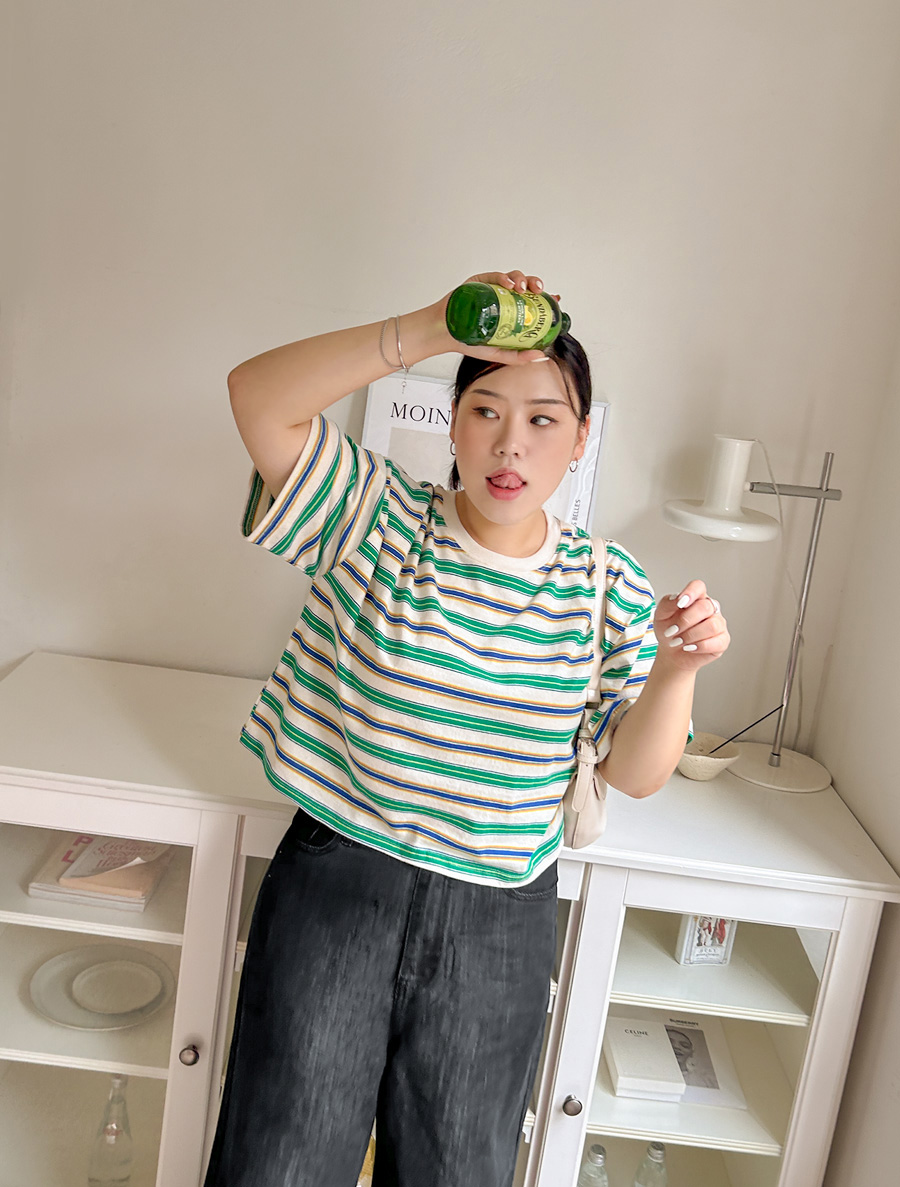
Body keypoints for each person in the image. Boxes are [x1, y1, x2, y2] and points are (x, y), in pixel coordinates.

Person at [203, 269, 731, 1187]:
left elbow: (636, 773)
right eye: (485, 410)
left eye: (544, 420)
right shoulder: (375, 519)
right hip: (338, 887)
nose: (510, 443)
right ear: (451, 422)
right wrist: (432, 327)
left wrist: (679, 668)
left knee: (457, 1171)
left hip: (497, 920)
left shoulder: (604, 584)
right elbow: (256, 396)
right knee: (279, 1163)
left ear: (582, 438)